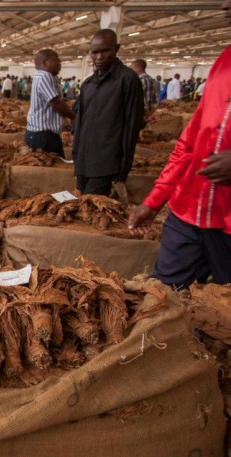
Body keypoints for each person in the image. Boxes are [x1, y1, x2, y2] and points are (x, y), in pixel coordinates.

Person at [128, 0, 231, 289]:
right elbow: (189, 143)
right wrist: (154, 201)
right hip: (189, 212)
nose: (224, 5)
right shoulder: (224, 62)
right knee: (161, 296)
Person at [72, 29, 144, 196]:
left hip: (106, 161)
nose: (99, 57)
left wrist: (123, 168)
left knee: (92, 206)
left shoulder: (127, 80)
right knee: (82, 203)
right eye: (94, 52)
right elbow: (80, 123)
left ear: (116, 49)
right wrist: (77, 156)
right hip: (84, 160)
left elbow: (132, 126)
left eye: (104, 51)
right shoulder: (88, 84)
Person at [24, 49, 76, 158]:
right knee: (50, 169)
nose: (59, 63)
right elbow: (55, 103)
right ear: (45, 62)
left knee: (58, 166)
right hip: (42, 136)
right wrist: (73, 117)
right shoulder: (44, 76)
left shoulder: (45, 77)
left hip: (46, 135)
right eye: (56, 59)